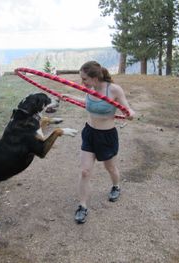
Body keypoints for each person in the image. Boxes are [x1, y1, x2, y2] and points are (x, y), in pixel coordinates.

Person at [62, 61, 135, 224]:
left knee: (110, 167)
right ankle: (82, 206)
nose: (82, 83)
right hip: (89, 133)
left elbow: (128, 110)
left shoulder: (114, 89)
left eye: (85, 79)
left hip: (107, 136)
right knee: (85, 171)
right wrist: (70, 97)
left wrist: (129, 113)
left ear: (95, 78)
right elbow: (88, 103)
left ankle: (116, 186)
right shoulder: (89, 89)